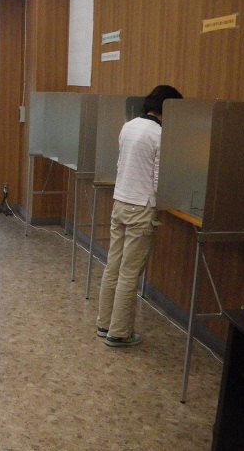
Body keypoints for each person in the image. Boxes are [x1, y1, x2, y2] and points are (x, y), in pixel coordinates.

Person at [96, 85, 183, 347]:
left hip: (120, 202)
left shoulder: (129, 126)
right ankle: (119, 333)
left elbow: (121, 164)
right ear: (168, 108)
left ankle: (104, 323)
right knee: (129, 273)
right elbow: (158, 181)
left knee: (113, 265)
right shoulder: (160, 134)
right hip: (141, 208)